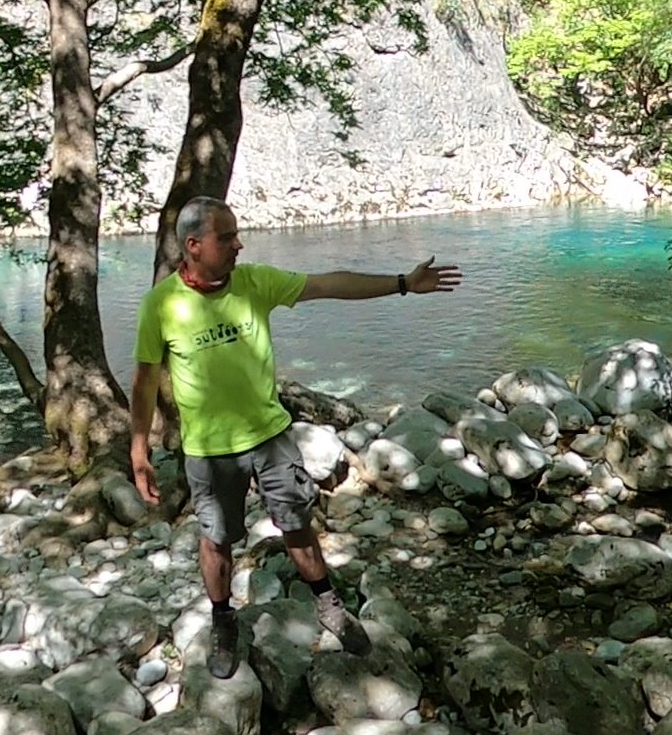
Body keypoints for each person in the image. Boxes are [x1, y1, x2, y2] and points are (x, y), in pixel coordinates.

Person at [129, 196, 463, 679]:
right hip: (208, 451)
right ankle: (224, 620)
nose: (238, 244)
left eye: (236, 234)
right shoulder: (160, 304)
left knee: (296, 523)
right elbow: (144, 380)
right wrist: (138, 448)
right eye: (227, 237)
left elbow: (328, 284)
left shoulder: (254, 283)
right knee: (216, 539)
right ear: (194, 245)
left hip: (270, 437)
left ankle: (328, 603)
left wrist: (402, 284)